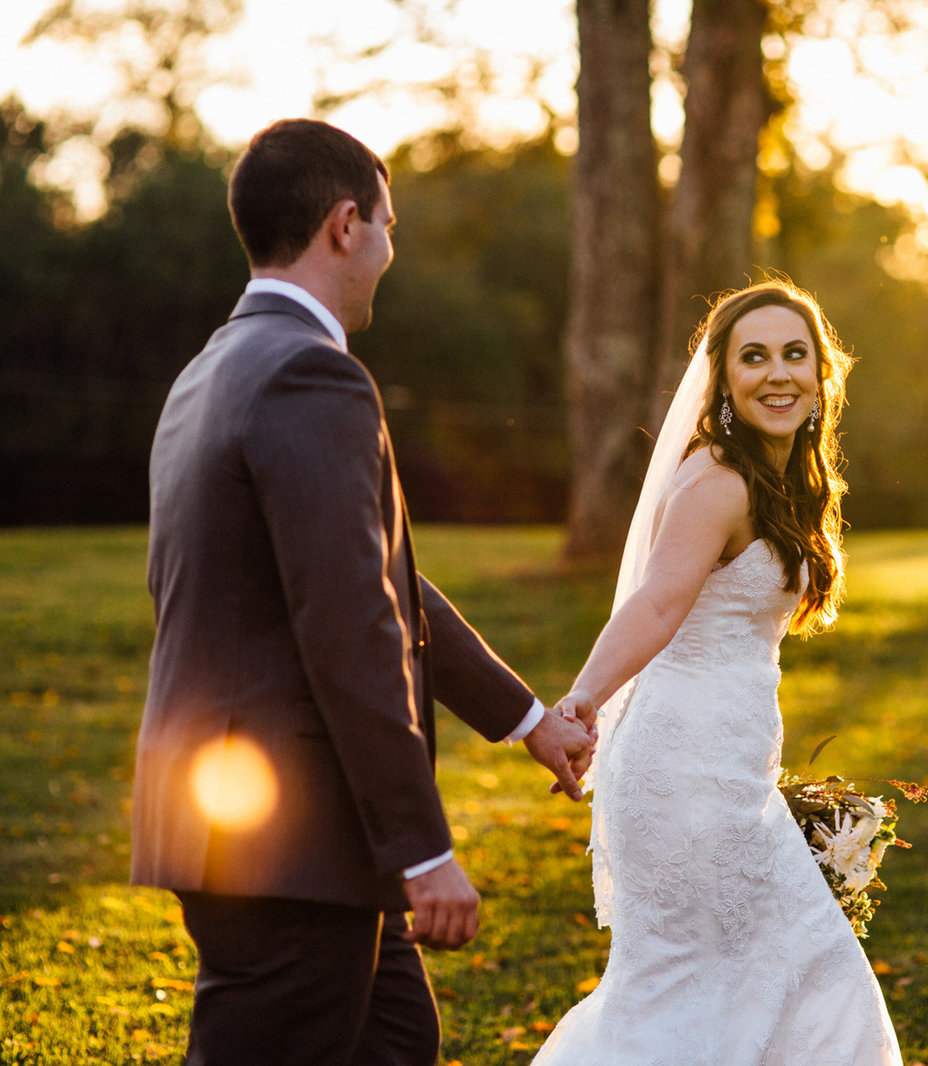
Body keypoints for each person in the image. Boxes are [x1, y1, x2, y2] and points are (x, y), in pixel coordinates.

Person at [130, 118, 595, 1066]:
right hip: (291, 841)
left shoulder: (210, 370)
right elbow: (351, 625)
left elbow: (379, 576)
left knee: (395, 1039)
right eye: (388, 226)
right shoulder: (311, 374)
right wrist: (421, 852)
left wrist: (527, 719)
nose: (391, 250)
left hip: (239, 823)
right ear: (345, 226)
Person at [531, 280, 903, 1064]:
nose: (778, 373)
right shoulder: (719, 480)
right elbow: (656, 606)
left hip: (732, 769)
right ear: (725, 378)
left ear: (820, 374)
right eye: (755, 356)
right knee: (698, 983)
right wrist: (582, 701)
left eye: (795, 355)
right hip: (680, 773)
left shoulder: (776, 480)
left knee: (758, 979)